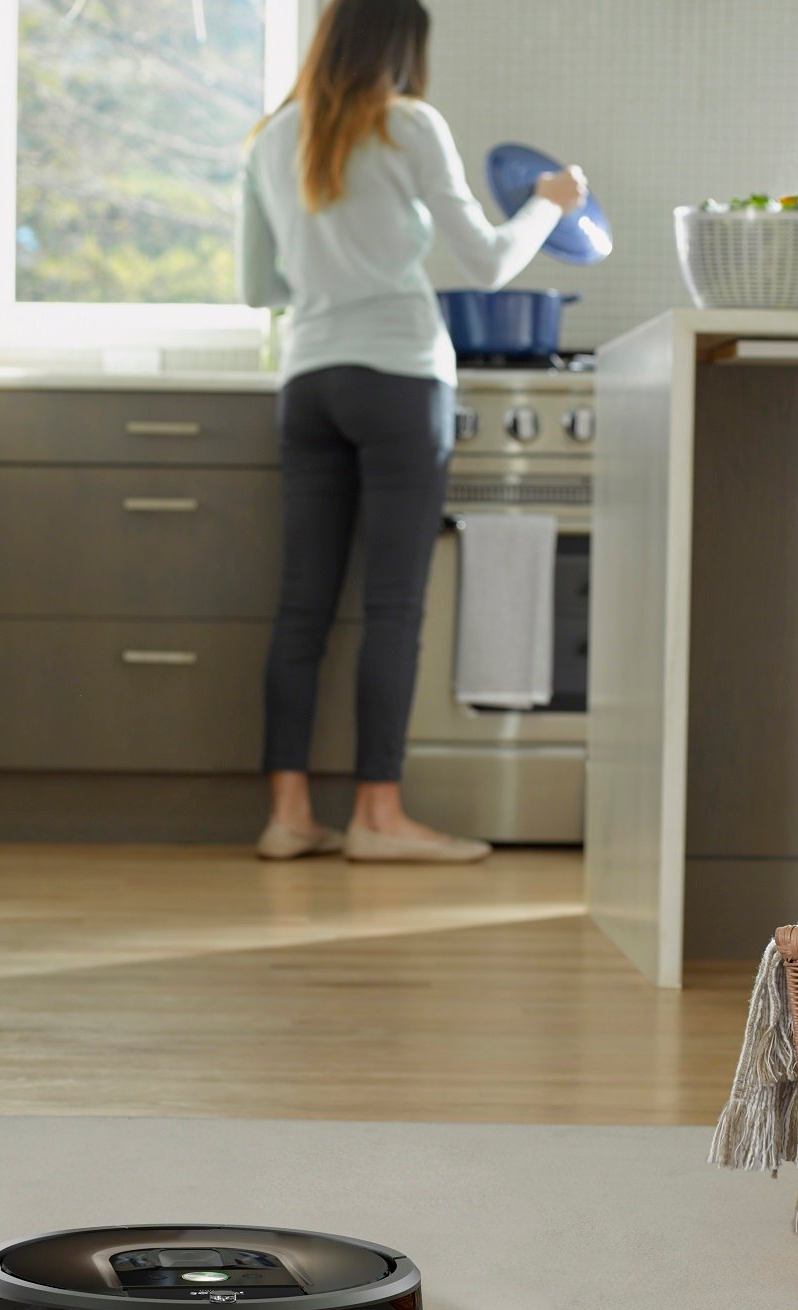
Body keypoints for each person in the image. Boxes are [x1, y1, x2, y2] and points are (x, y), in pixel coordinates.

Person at [238, 0, 586, 863]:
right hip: (397, 375)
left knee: (301, 606)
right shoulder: (408, 123)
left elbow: (258, 286)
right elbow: (490, 261)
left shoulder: (271, 140)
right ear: (402, 43)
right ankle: (378, 819)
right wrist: (549, 203)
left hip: (307, 380)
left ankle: (287, 816)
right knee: (392, 605)